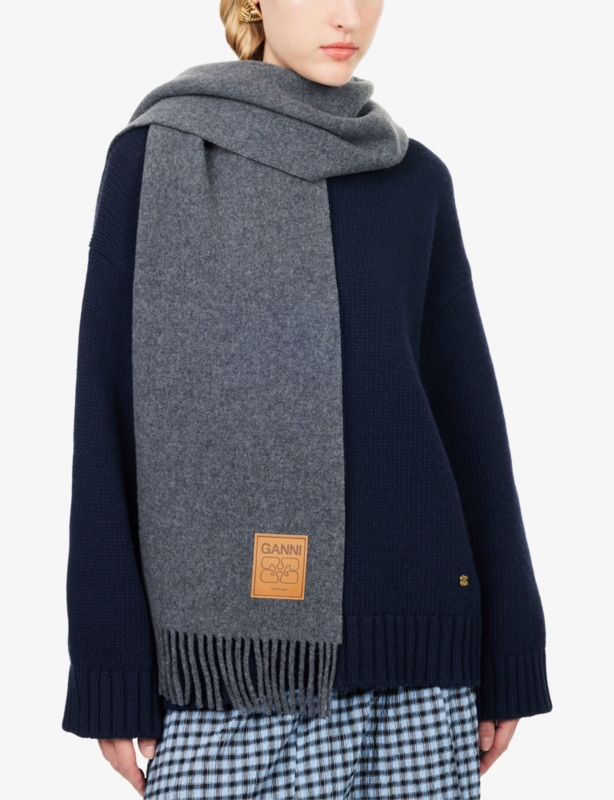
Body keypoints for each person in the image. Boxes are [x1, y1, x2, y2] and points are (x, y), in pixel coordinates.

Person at [61, 1, 553, 798]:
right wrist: (108, 667)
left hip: (419, 669)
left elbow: (468, 421)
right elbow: (105, 413)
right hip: (228, 682)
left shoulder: (416, 179)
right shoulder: (153, 161)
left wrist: (510, 655)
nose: (346, 15)